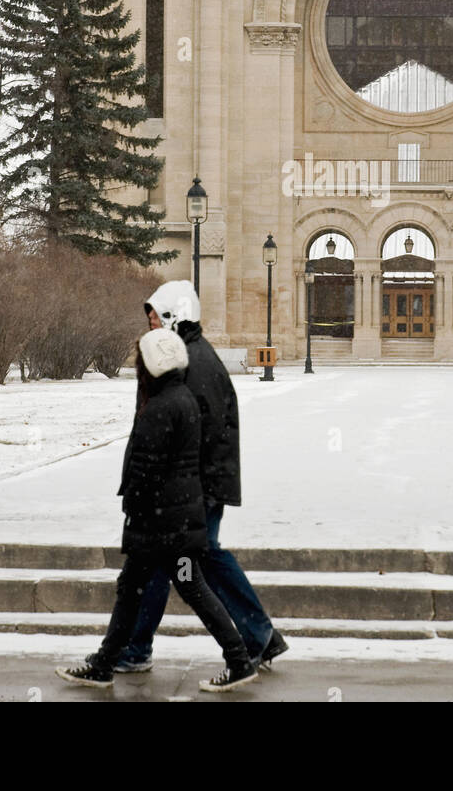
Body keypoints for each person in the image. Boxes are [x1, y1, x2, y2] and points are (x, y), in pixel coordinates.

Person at [55, 326, 258, 693]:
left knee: (179, 587)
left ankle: (239, 660)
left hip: (158, 524)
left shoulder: (160, 407)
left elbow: (145, 469)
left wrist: (133, 508)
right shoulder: (183, 398)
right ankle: (104, 662)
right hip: (174, 520)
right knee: (137, 587)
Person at [112, 280, 289, 673]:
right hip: (194, 488)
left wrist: (182, 491)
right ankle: (257, 637)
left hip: (195, 490)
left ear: (175, 316)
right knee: (178, 562)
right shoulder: (190, 356)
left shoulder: (193, 364)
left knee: (186, 561)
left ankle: (139, 648)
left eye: (156, 317)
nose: (151, 325)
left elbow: (195, 436)